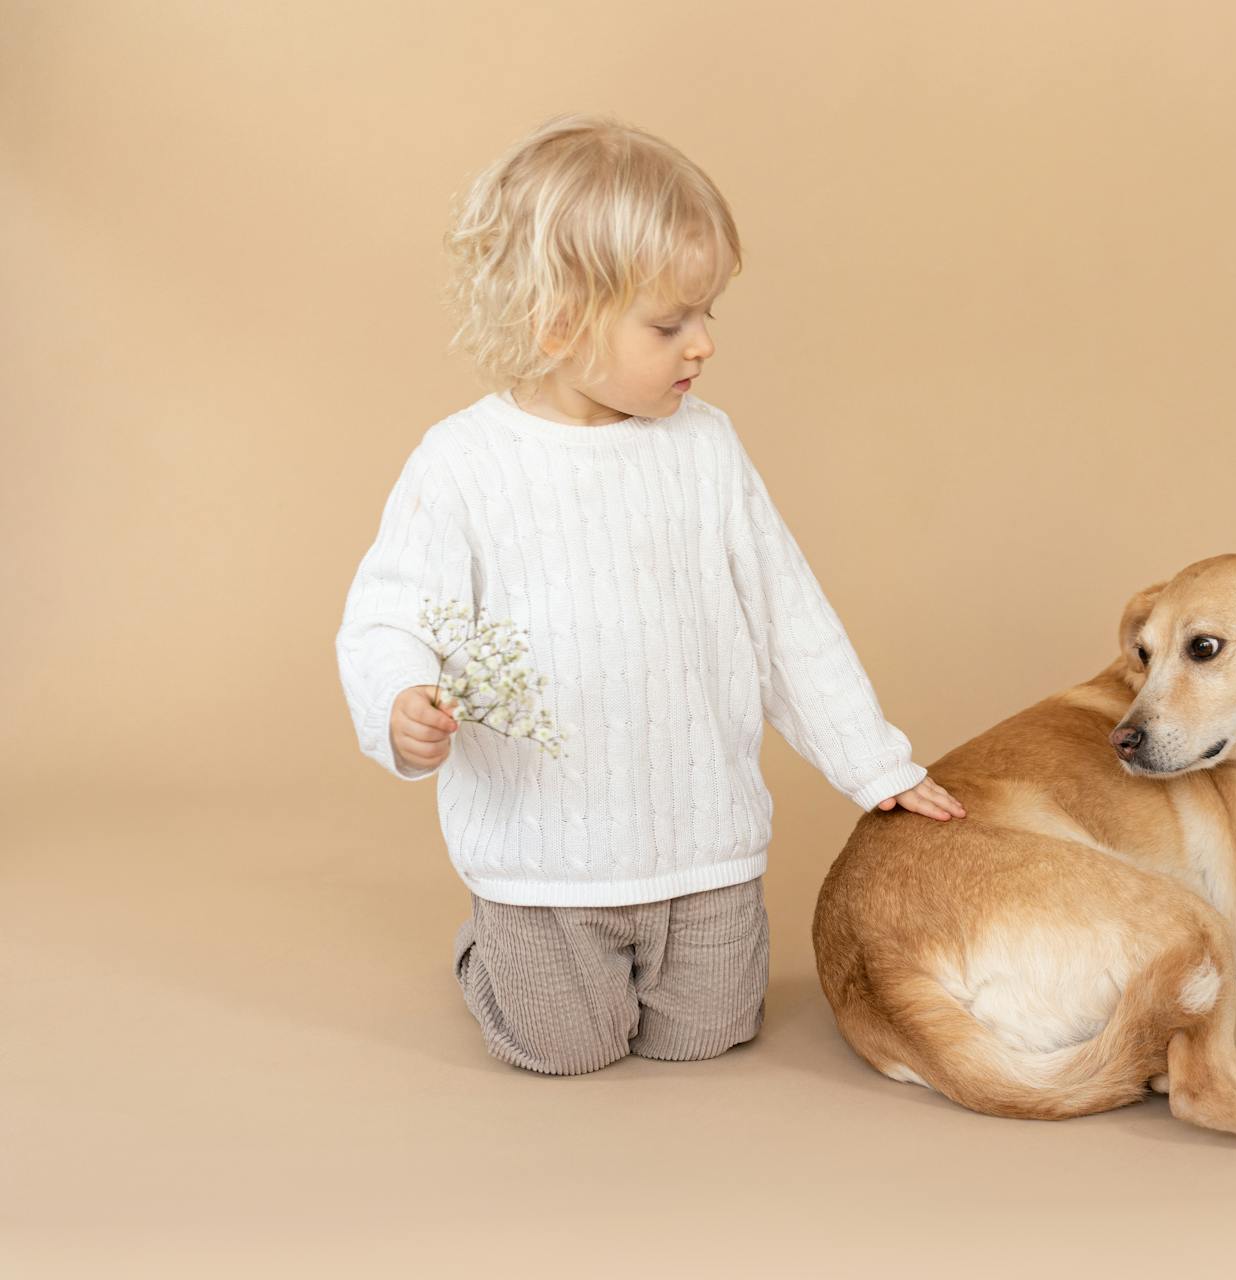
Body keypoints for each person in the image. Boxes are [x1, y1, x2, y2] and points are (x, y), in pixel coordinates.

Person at [334, 112, 964, 1076]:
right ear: (557, 324)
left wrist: (876, 766)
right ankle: (493, 952)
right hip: (544, 856)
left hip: (702, 839)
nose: (703, 345)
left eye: (708, 314)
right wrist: (396, 704)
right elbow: (391, 613)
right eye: (670, 324)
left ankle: (659, 952)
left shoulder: (704, 448)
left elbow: (785, 617)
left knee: (710, 1036)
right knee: (562, 1050)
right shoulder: (463, 463)